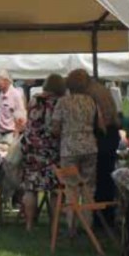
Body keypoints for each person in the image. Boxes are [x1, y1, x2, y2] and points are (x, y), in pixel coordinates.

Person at [51, 68, 98, 232]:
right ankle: (88, 224)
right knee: (88, 186)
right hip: (90, 146)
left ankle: (71, 225)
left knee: (70, 187)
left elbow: (55, 128)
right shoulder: (91, 101)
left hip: (69, 148)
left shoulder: (63, 102)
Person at [21, 73, 65, 230]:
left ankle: (29, 224)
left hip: (31, 146)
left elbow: (29, 119)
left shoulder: (34, 99)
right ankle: (54, 225)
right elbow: (56, 126)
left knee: (30, 187)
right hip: (51, 149)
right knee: (55, 189)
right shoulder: (59, 102)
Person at [89, 78, 121, 222]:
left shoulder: (90, 94)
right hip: (111, 135)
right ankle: (107, 216)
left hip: (102, 137)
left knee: (100, 178)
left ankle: (99, 217)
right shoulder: (104, 92)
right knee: (107, 177)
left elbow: (99, 120)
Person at [0, 70, 27, 144]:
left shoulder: (16, 95)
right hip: (1, 134)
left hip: (11, 134)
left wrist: (17, 133)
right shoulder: (1, 94)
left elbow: (21, 117)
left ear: (6, 81)